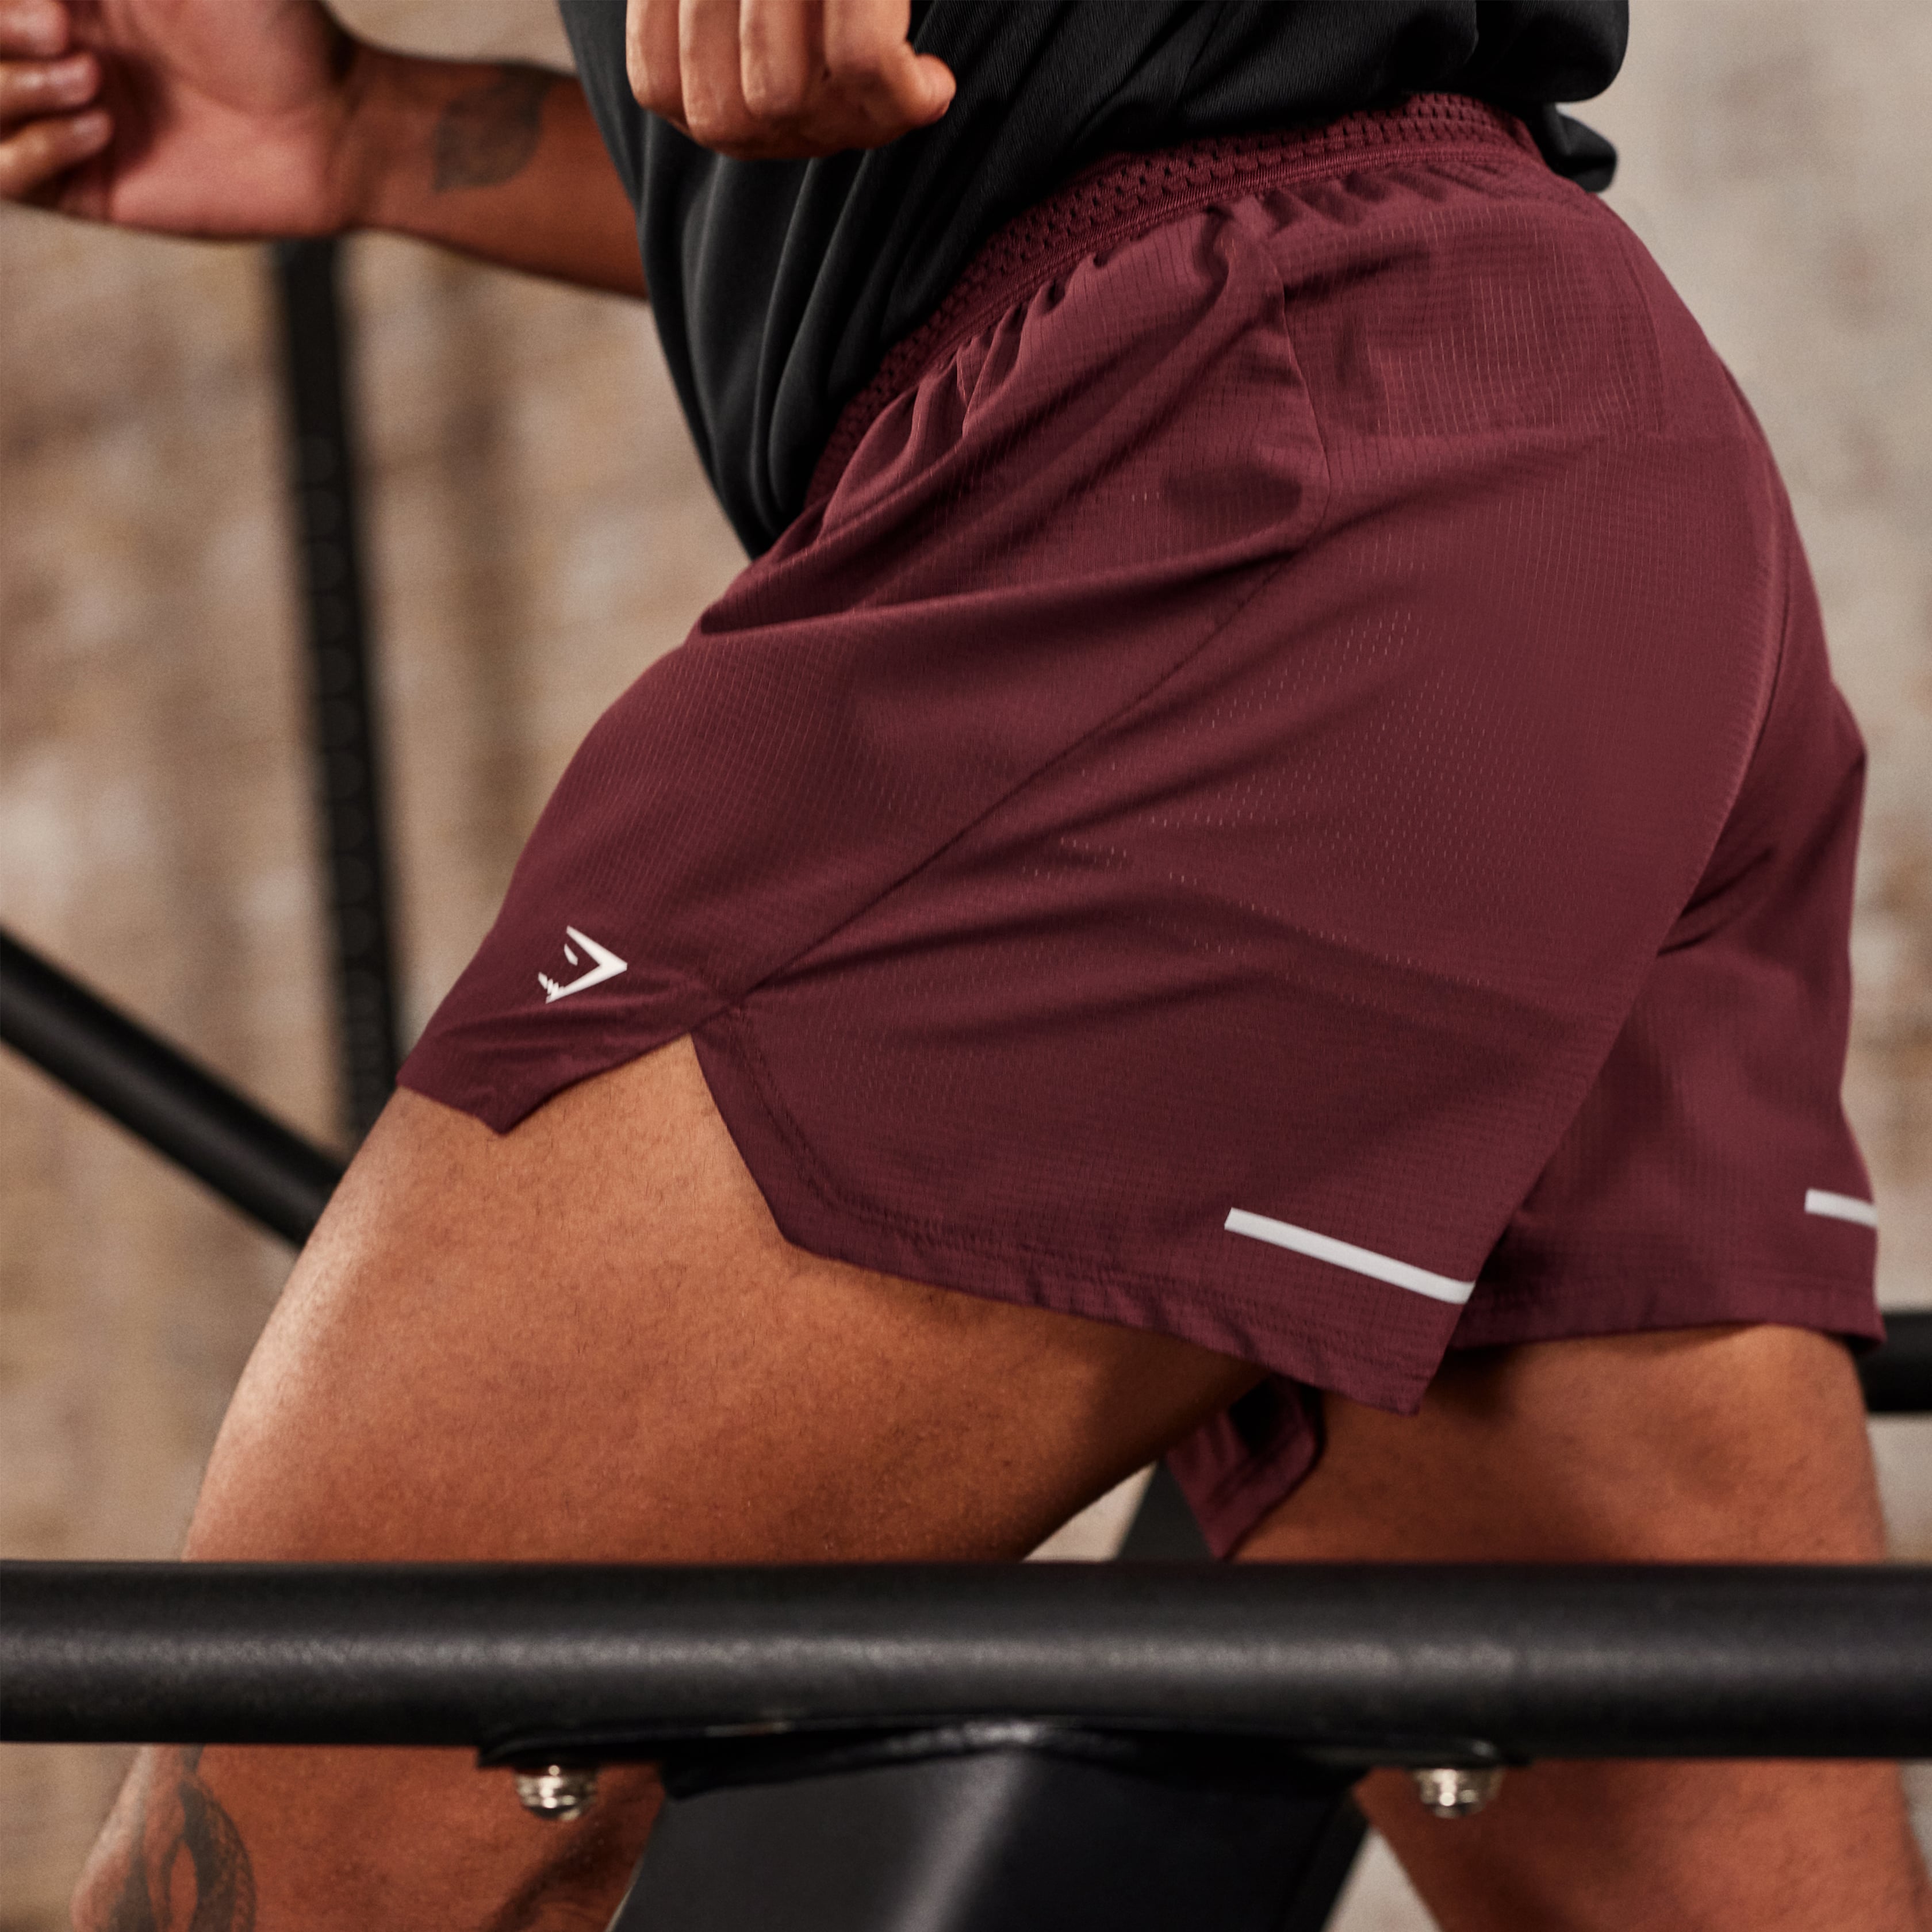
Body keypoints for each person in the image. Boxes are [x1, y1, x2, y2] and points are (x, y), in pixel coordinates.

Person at [5, 1, 1926, 1926]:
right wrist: (377, 130)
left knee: (325, 1793)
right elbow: (1003, 140)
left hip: (1241, 473)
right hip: (1541, 466)